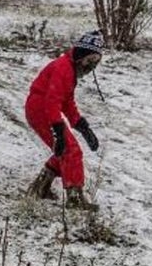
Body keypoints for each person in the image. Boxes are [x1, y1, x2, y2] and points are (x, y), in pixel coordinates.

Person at [25, 30, 104, 209]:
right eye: (90, 61)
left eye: (96, 62)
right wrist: (58, 131)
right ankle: (74, 198)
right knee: (71, 151)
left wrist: (83, 127)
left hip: (41, 108)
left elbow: (66, 102)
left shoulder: (69, 69)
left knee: (64, 150)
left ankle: (40, 187)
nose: (92, 66)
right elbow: (52, 102)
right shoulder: (63, 69)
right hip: (40, 110)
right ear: (81, 55)